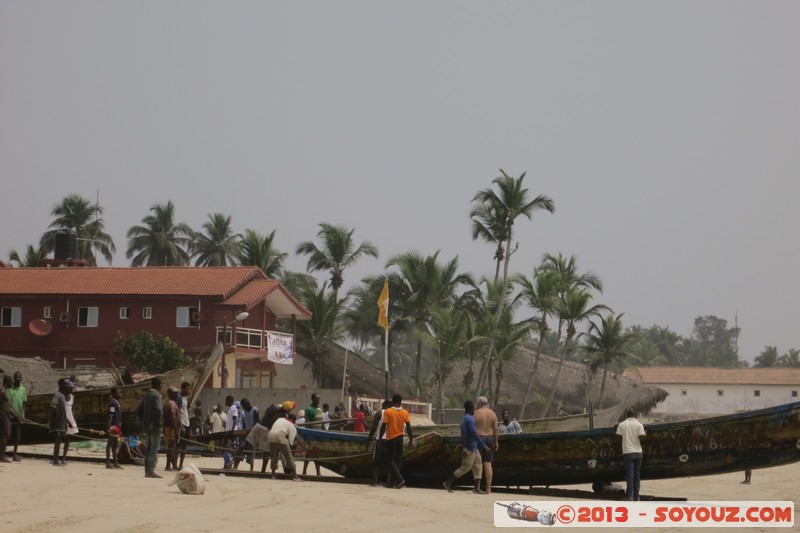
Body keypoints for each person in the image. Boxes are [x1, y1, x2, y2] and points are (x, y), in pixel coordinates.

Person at [443, 400, 489, 494]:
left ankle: (477, 488)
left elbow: (463, 432)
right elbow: (474, 433)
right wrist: (483, 445)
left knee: (478, 466)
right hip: (470, 448)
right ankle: (448, 482)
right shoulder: (469, 419)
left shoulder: (465, 419)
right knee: (465, 468)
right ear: (471, 409)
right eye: (474, 408)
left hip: (473, 447)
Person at [381, 393, 414, 489]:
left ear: (392, 401)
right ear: (400, 402)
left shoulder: (388, 411)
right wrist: (411, 439)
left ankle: (399, 479)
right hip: (400, 438)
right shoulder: (405, 412)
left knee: (389, 460)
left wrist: (379, 438)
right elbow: (408, 427)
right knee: (398, 460)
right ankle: (393, 483)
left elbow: (384, 426)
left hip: (391, 438)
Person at [616, 409, 646, 501]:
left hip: (628, 453)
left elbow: (617, 438)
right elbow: (642, 438)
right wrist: (646, 433)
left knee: (630, 475)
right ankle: (637, 496)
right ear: (635, 415)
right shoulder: (639, 425)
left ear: (627, 415)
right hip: (638, 453)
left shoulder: (622, 425)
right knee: (637, 476)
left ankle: (629, 496)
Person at [137, 377, 163, 478]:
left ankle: (147, 470)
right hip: (155, 427)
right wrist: (159, 423)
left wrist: (144, 421)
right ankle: (151, 471)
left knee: (148, 448)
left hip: (147, 427)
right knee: (154, 449)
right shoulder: (156, 395)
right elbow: (159, 410)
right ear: (159, 385)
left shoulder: (147, 395)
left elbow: (139, 410)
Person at [267, 410, 303, 482]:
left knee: (274, 456)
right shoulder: (291, 425)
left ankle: (273, 475)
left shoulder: (280, 419)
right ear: (293, 421)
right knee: (289, 456)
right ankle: (295, 476)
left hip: (270, 436)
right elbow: (291, 442)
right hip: (280, 436)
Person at [474, 396, 499, 495]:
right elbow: (496, 429)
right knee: (488, 464)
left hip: (479, 438)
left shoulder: (476, 413)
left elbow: (472, 428)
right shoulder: (492, 413)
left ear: (479, 403)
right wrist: (496, 442)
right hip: (490, 438)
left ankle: (478, 488)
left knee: (478, 464)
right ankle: (488, 489)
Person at [367, 399, 391, 487]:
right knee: (388, 461)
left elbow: (374, 427)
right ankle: (388, 482)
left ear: (384, 404)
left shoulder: (379, 413)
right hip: (389, 440)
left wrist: (369, 438)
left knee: (375, 461)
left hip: (379, 440)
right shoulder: (392, 413)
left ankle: (375, 482)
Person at [48, 378, 71, 466]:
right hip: (58, 423)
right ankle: (56, 461)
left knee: (59, 441)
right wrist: (58, 415)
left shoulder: (62, 395)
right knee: (57, 442)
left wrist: (67, 422)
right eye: (65, 385)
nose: (66, 387)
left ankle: (56, 460)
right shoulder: (57, 395)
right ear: (61, 385)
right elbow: (52, 406)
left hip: (62, 423)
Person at [8, 371, 27, 461]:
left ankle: (14, 455)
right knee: (6, 435)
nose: (18, 379)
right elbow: (8, 405)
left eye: (19, 377)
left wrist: (22, 415)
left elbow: (24, 403)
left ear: (21, 379)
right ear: (13, 378)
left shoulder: (23, 389)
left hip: (19, 417)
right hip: (9, 416)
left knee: (17, 437)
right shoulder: (9, 389)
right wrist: (14, 414)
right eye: (16, 377)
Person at [162, 387, 181, 471]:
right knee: (171, 446)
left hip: (169, 427)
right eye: (175, 393)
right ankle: (168, 466)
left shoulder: (170, 403)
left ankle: (173, 464)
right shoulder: (171, 404)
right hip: (170, 428)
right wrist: (176, 429)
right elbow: (172, 419)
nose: (177, 394)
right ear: (171, 394)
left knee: (172, 446)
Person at [106, 387, 123, 469]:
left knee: (116, 444)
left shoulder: (117, 403)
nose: (120, 394)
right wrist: (109, 428)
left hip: (117, 427)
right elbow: (110, 416)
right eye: (118, 392)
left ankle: (115, 462)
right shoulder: (113, 403)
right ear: (114, 394)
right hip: (113, 426)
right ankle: (108, 463)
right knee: (110, 444)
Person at [176, 381, 191, 469]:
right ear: (183, 389)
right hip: (182, 424)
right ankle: (175, 464)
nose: (189, 390)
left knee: (184, 445)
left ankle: (181, 464)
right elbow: (177, 412)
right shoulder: (179, 398)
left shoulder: (185, 398)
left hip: (187, 423)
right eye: (188, 389)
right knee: (179, 445)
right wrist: (181, 426)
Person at [63, 380, 78, 463]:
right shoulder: (62, 397)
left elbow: (73, 410)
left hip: (70, 418)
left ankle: (64, 458)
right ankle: (57, 458)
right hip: (63, 419)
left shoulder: (72, 397)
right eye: (70, 388)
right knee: (60, 439)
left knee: (67, 440)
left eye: (72, 388)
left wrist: (73, 421)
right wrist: (68, 421)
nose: (71, 389)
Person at [0, 375, 14, 463]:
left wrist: (18, 416)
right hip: (3, 415)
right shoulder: (2, 392)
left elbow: (10, 406)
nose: (12, 383)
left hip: (6, 415)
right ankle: (2, 456)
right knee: (4, 435)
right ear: (7, 382)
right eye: (11, 382)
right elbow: (7, 407)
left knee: (5, 436)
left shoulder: (6, 391)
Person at [223, 395, 237, 469]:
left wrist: (232, 430)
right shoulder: (230, 409)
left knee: (228, 448)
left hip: (231, 432)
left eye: (226, 400)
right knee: (226, 449)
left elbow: (235, 419)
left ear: (230, 401)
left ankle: (231, 461)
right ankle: (227, 464)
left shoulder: (233, 408)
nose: (225, 402)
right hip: (228, 431)